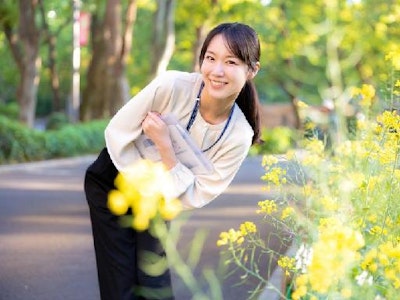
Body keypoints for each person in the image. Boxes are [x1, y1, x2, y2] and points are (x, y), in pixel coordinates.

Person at [84, 22, 261, 300]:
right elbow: (117, 133)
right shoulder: (172, 86)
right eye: (210, 58)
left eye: (231, 62)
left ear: (251, 70)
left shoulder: (239, 135)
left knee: (154, 284)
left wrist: (165, 147)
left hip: (163, 198)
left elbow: (196, 193)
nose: (217, 71)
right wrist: (147, 185)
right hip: (114, 179)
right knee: (120, 282)